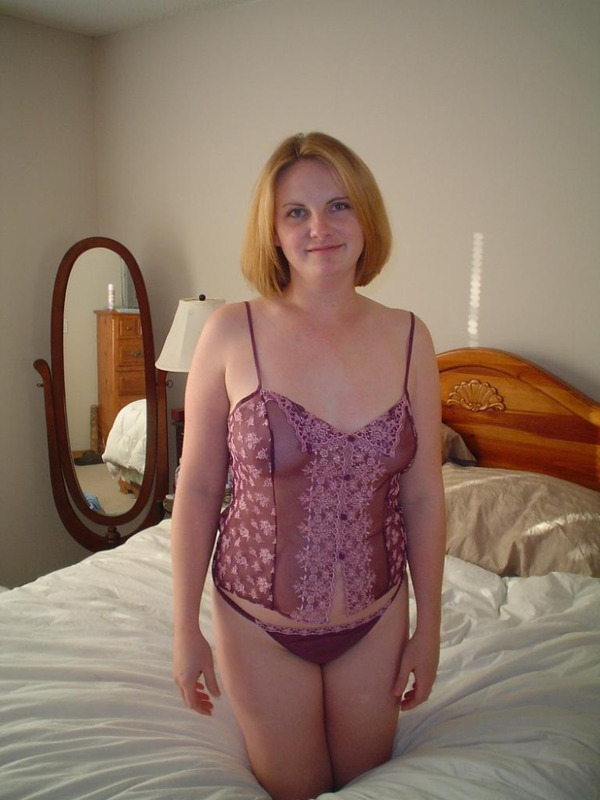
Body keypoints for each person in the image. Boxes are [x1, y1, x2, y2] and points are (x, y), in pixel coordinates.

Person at [171, 132, 446, 800]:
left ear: (365, 218)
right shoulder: (229, 332)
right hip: (255, 624)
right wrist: (185, 631)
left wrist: (429, 629)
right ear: (272, 232)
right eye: (296, 212)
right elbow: (199, 489)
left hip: (377, 617)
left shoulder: (411, 337)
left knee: (367, 784)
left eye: (338, 205)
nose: (319, 227)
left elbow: (423, 497)